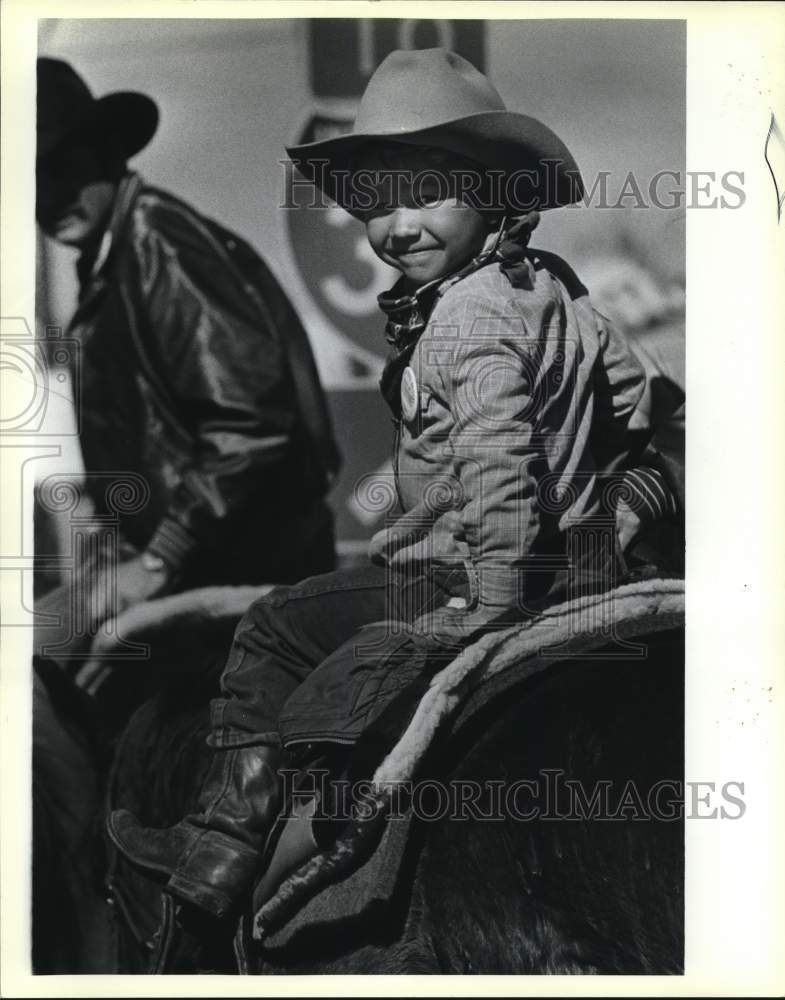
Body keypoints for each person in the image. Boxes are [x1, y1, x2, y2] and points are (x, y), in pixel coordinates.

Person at [109, 48, 680, 924]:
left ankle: (218, 847)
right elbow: (638, 403)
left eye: (424, 195)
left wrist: (491, 595)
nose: (395, 225)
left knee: (272, 626)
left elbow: (494, 460)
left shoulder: (464, 319)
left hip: (470, 575)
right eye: (375, 202)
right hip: (564, 559)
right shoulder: (558, 292)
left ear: (496, 194)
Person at [35, 57, 340, 658]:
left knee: (34, 658)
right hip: (194, 562)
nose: (49, 196)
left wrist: (159, 554)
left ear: (105, 154)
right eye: (27, 178)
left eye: (60, 168)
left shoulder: (159, 244)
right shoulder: (113, 259)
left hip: (241, 572)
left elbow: (250, 423)